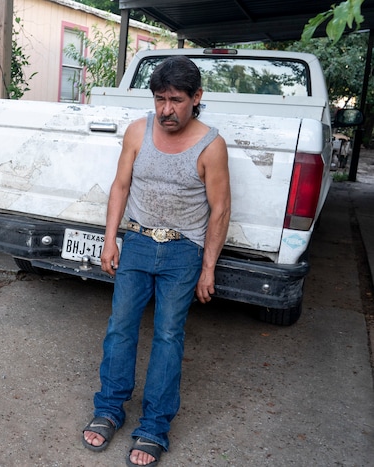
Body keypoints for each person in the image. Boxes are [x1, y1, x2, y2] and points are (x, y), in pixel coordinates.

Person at [82, 56, 231, 466]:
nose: (166, 109)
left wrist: (208, 268)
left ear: (196, 98)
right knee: (120, 329)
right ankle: (109, 409)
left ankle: (153, 428)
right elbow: (121, 185)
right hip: (138, 242)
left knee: (168, 336)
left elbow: (220, 210)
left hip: (184, 250)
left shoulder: (211, 146)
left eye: (176, 100)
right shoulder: (137, 131)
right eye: (160, 99)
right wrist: (110, 241)